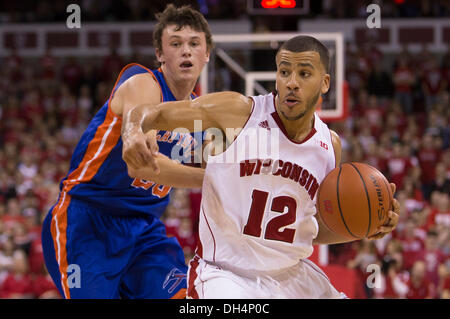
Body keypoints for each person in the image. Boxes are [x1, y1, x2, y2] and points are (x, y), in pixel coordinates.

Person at [124, 35, 401, 298]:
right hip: (227, 275)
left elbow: (309, 229)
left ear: (325, 83)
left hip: (292, 276)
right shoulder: (237, 113)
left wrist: (364, 226)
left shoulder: (329, 146)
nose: (292, 82)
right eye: (284, 72)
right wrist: (134, 129)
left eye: (304, 74)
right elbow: (152, 113)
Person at [41, 4, 212, 299]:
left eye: (194, 44)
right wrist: (134, 133)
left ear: (206, 54)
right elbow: (140, 150)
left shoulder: (202, 118)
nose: (186, 51)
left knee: (186, 300)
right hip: (87, 223)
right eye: (176, 43)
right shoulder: (142, 81)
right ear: (160, 53)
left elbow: (214, 170)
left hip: (145, 231)